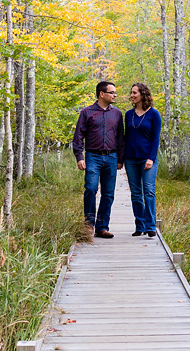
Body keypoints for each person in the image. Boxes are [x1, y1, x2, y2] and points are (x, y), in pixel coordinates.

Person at [72, 81, 125, 239]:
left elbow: (120, 138)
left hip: (111, 157)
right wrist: (79, 157)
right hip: (92, 156)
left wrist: (120, 159)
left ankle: (102, 227)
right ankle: (88, 225)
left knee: (108, 194)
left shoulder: (117, 113)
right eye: (112, 92)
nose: (115, 95)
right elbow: (78, 137)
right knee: (90, 188)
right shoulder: (87, 112)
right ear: (102, 94)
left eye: (115, 92)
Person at [124, 83, 162, 238]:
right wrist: (122, 157)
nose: (132, 95)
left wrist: (151, 158)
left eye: (135, 93)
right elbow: (126, 137)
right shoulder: (128, 114)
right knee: (135, 194)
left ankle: (150, 226)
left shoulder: (154, 114)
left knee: (149, 191)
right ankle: (139, 225)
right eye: (131, 93)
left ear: (143, 94)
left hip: (148, 159)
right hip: (130, 159)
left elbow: (156, 138)